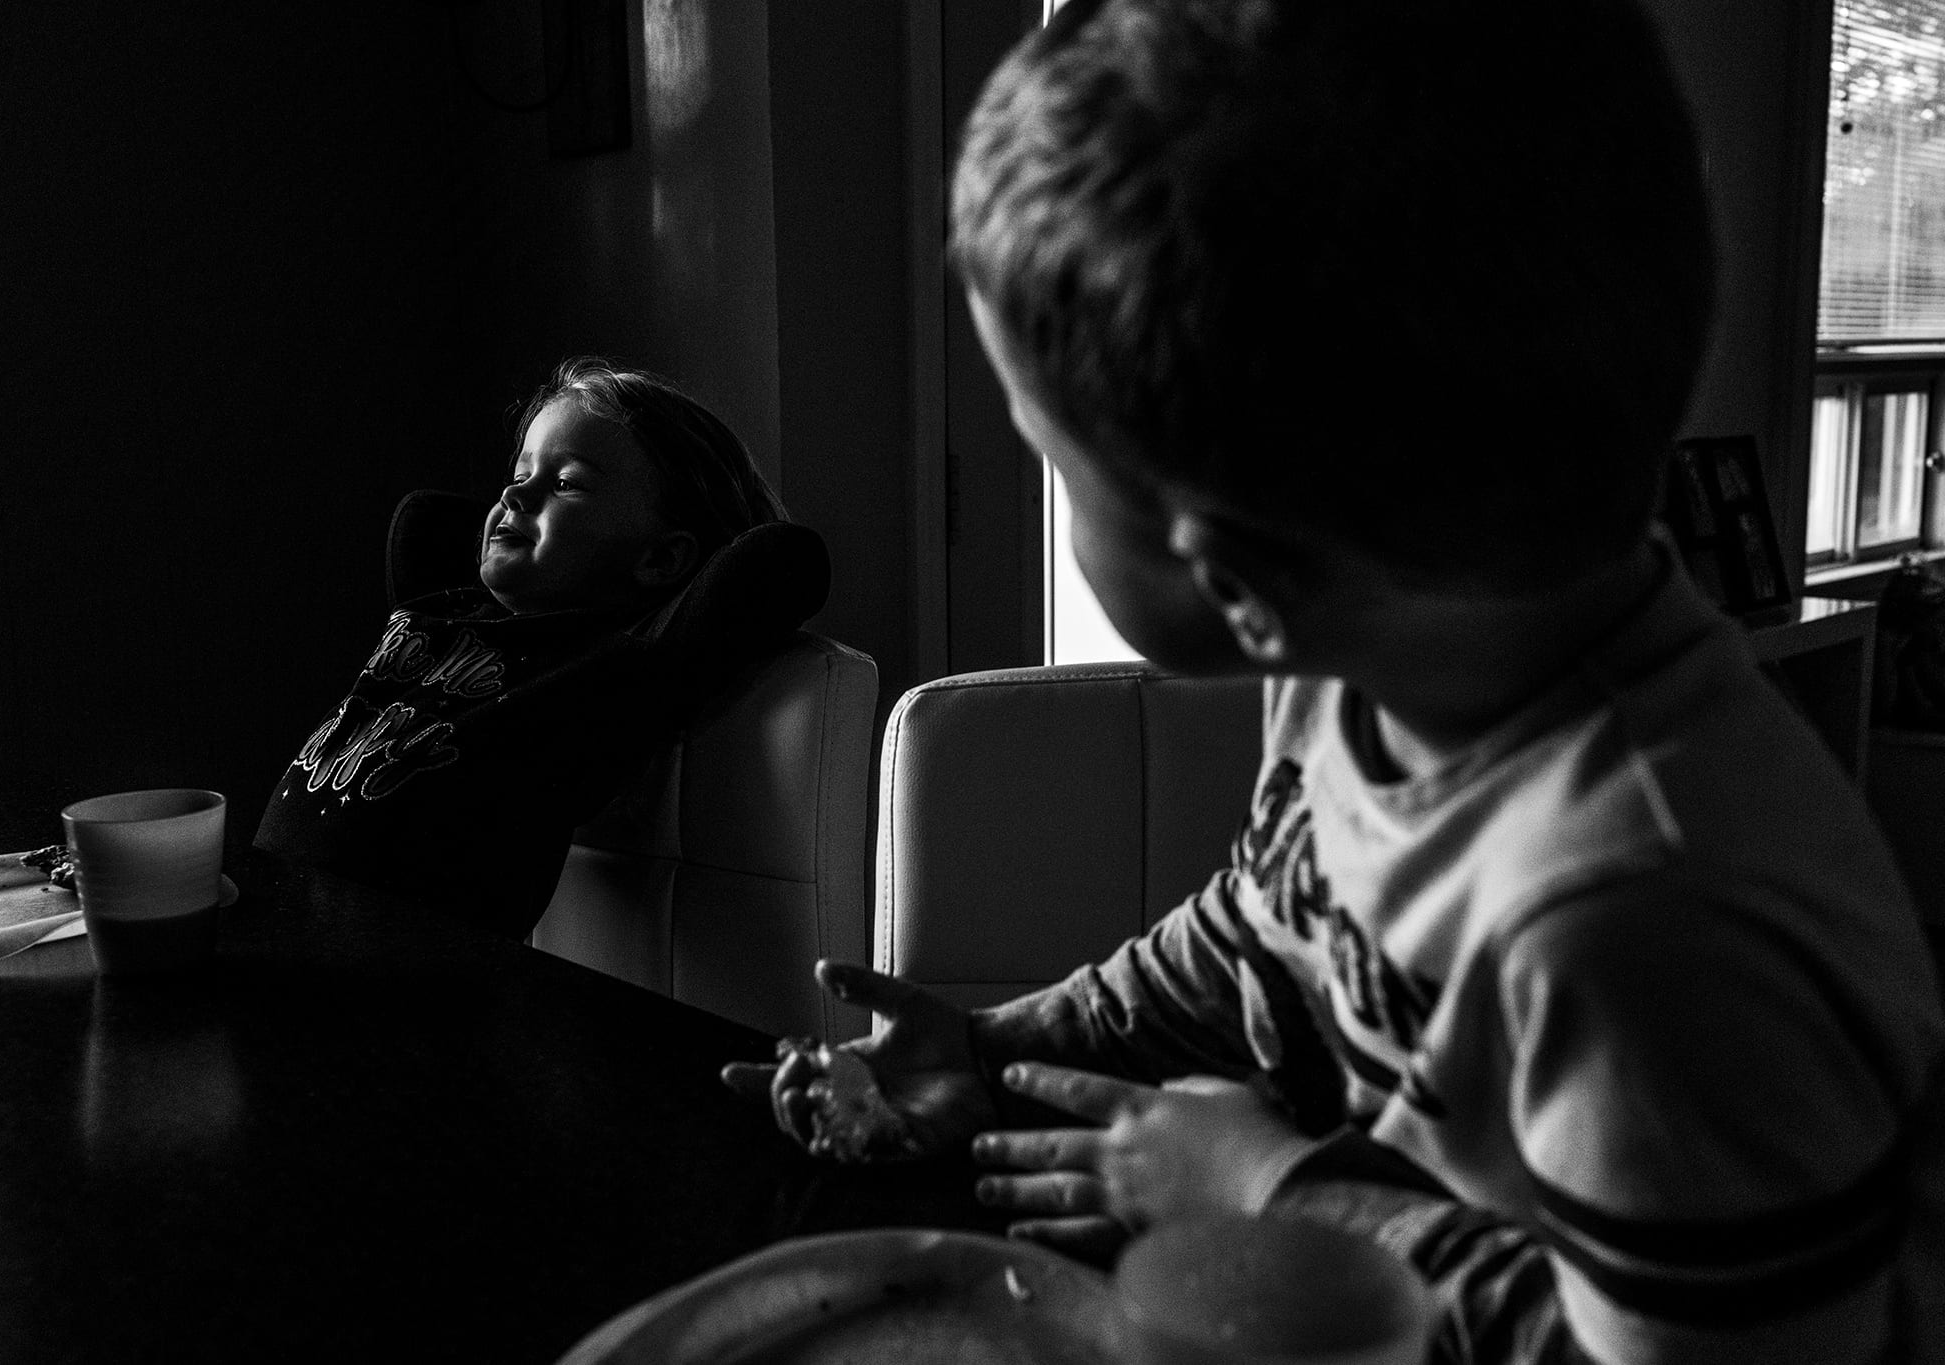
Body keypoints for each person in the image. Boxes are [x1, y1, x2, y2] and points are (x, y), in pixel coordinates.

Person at [723, 1, 1945, 1360]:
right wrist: (996, 1049)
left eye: (1051, 461)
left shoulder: (1643, 922)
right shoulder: (1366, 666)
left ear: (1234, 579)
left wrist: (1267, 1190)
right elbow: (1265, 929)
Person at [253, 358, 807, 938]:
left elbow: (781, 561)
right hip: (260, 922)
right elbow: (424, 517)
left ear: (660, 559)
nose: (515, 492)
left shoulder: (612, 667)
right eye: (519, 471)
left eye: (566, 482)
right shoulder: (445, 614)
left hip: (390, 979)